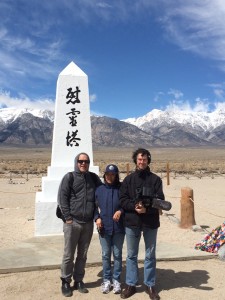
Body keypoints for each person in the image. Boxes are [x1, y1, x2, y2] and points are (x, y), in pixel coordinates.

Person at [119, 148, 165, 300]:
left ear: (148, 160)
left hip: (150, 222)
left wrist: (147, 208)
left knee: (150, 255)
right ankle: (131, 284)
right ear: (135, 160)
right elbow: (123, 200)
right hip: (132, 222)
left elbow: (160, 202)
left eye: (144, 159)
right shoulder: (128, 180)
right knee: (131, 255)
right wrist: (134, 207)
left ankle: (150, 284)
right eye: (139, 159)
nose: (142, 162)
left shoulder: (156, 180)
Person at [58, 152, 102, 297]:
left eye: (86, 161)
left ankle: (78, 280)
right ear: (76, 162)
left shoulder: (93, 178)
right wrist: (68, 218)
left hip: (87, 223)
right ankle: (65, 281)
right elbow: (62, 198)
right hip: (73, 223)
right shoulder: (69, 177)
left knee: (82, 255)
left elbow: (104, 192)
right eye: (81, 161)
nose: (83, 163)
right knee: (68, 255)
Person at [95, 164, 125, 294]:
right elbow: (94, 207)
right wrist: (97, 218)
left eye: (113, 174)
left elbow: (127, 204)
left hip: (118, 228)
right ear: (104, 175)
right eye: (108, 174)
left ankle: (116, 280)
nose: (110, 177)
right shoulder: (99, 190)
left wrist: (121, 210)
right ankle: (107, 280)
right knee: (106, 255)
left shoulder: (121, 189)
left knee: (117, 255)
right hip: (104, 227)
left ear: (116, 175)